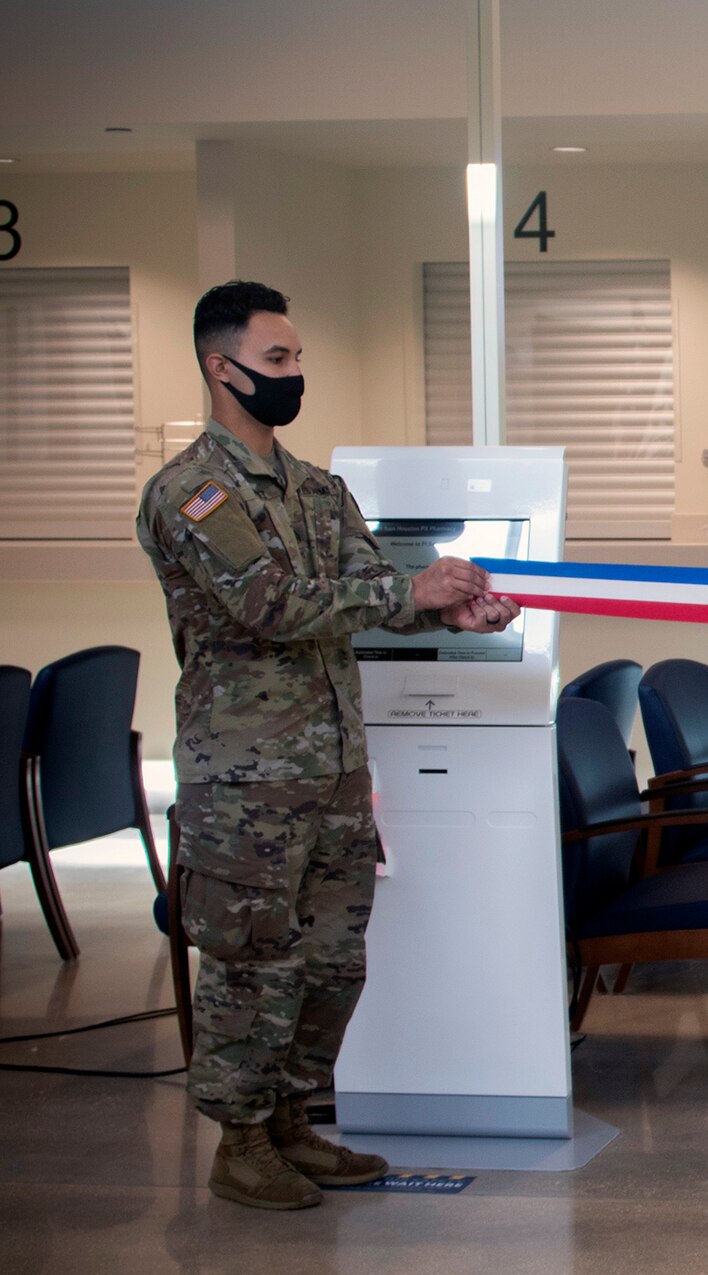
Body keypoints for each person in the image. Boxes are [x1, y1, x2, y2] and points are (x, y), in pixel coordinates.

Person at [136, 281, 520, 1211]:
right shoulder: (192, 492)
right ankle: (239, 1140)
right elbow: (270, 605)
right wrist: (409, 595)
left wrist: (467, 616)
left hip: (338, 768)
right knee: (253, 962)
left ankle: (291, 1122)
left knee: (334, 961)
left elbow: (371, 593)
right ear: (218, 367)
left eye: (300, 358)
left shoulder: (317, 489)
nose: (294, 374)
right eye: (277, 360)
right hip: (247, 780)